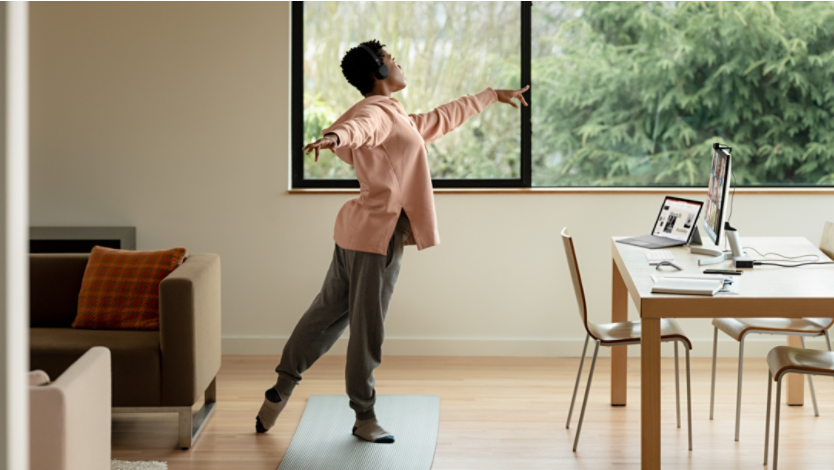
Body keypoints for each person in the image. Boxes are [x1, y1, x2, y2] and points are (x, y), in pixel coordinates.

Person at [256, 39, 529, 444]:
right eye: (391, 60)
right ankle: (364, 416)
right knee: (368, 330)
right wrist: (333, 139)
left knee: (325, 315)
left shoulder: (393, 113)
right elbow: (359, 129)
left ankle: (279, 391)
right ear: (379, 73)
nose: (398, 65)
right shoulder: (376, 112)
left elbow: (437, 119)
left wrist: (490, 96)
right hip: (376, 239)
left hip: (356, 232)